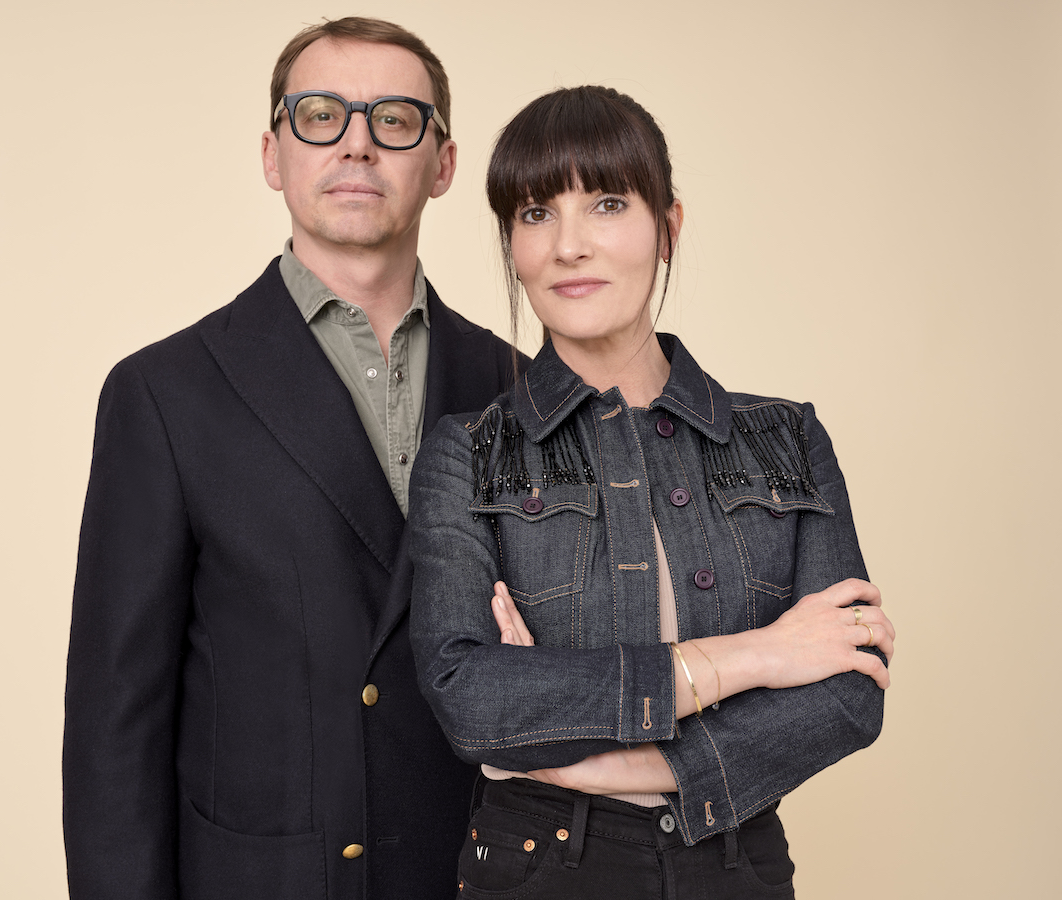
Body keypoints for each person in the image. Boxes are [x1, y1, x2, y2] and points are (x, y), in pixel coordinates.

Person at [62, 17, 520, 900]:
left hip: (476, 876)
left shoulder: (519, 386)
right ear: (273, 155)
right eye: (319, 115)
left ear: (444, 163)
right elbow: (114, 727)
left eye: (395, 120)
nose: (356, 143)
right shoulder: (165, 393)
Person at [409, 85, 896, 898]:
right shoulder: (470, 453)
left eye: (607, 204)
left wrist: (601, 762)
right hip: (539, 868)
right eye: (536, 213)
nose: (569, 246)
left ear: (668, 228)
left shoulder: (785, 438)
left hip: (739, 869)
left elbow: (849, 694)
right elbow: (472, 700)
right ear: (512, 244)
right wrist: (760, 655)